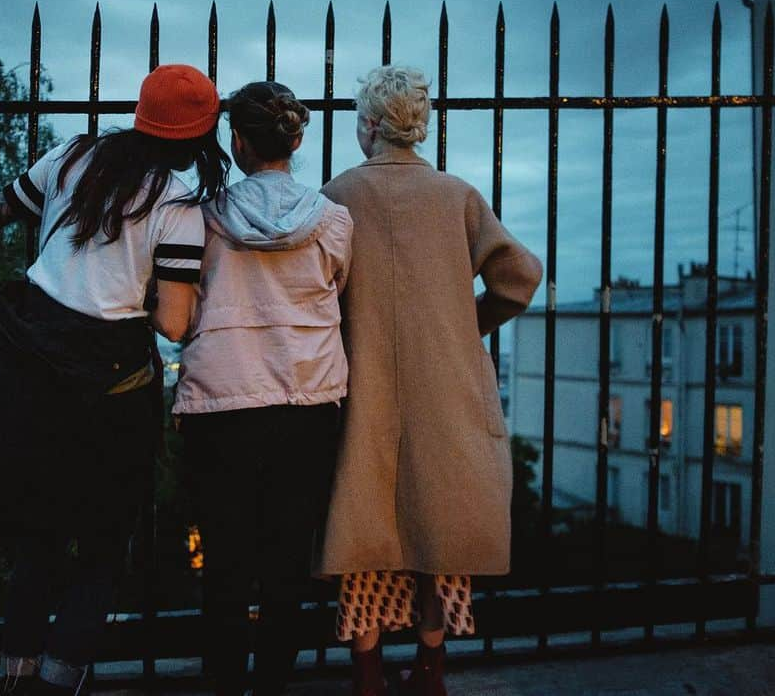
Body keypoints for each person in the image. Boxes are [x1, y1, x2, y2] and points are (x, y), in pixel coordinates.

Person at [0, 64, 229, 695]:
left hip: (33, 370)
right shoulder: (178, 206)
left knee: (37, 535)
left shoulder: (73, 156)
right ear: (198, 137)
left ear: (140, 112)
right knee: (103, 544)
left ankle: (15, 676)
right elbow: (174, 324)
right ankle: (59, 680)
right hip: (111, 391)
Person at [316, 65, 543, 696]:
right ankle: (430, 672)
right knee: (438, 535)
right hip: (444, 383)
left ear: (368, 125)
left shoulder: (337, 195)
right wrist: (464, 324)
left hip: (362, 384)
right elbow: (519, 276)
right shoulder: (458, 196)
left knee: (363, 542)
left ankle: (367, 676)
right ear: (419, 126)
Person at [174, 81, 353, 696]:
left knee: (224, 561)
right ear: (296, 140)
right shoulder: (333, 222)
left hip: (221, 403)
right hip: (306, 403)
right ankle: (273, 683)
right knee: (287, 565)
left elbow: (182, 304)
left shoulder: (205, 219)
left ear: (237, 140)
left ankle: (224, 682)